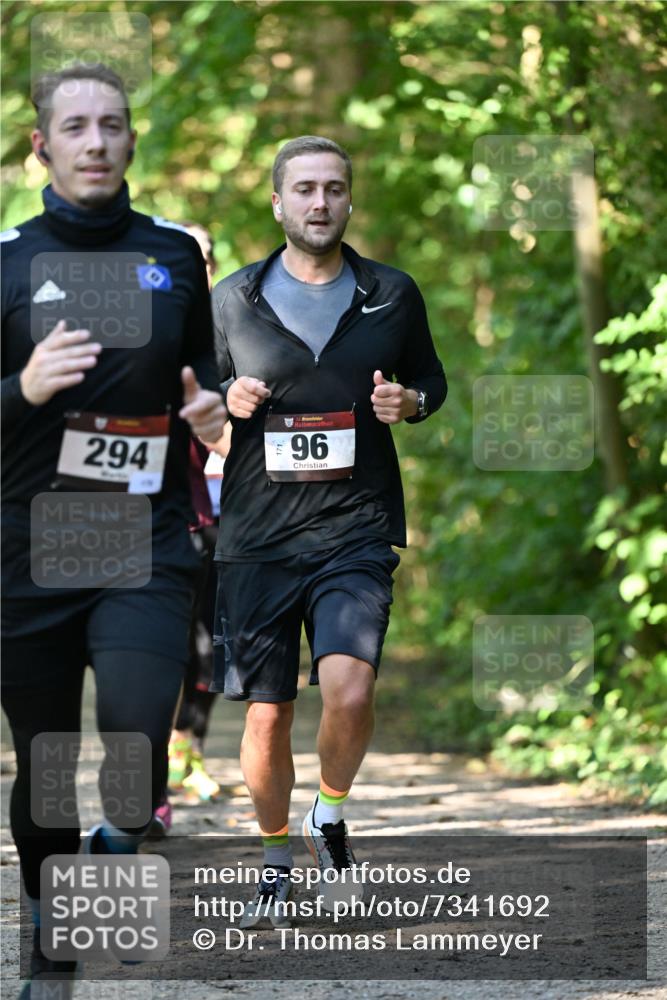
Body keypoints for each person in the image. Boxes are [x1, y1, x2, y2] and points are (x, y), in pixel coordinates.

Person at [1, 64, 226, 996]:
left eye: (114, 125)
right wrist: (21, 387)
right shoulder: (6, 257)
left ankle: (115, 839)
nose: (96, 142)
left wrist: (217, 412)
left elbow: (207, 379)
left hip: (144, 538)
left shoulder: (173, 255)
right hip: (27, 544)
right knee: (47, 757)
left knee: (135, 747)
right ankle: (52, 930)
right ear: (41, 147)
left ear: (134, 141)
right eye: (77, 126)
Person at [210, 135, 446, 925]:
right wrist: (226, 404)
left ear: (349, 200)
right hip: (257, 536)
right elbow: (200, 400)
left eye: (334, 188)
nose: (320, 202)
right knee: (266, 713)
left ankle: (331, 814)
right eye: (304, 189)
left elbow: (431, 381)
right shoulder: (232, 299)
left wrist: (407, 404)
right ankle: (277, 856)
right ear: (276, 202)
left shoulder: (392, 292)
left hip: (355, 527)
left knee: (350, 686)